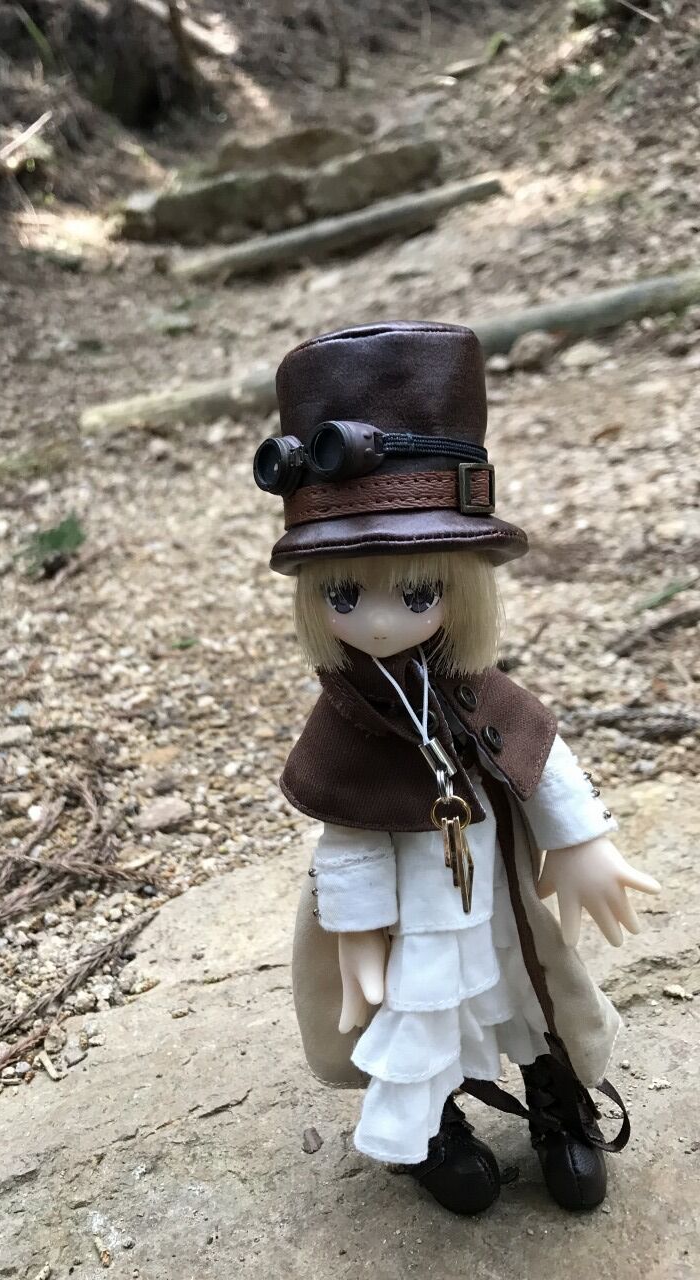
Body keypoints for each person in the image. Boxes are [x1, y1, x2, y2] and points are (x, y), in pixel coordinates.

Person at [251, 322, 660, 1215]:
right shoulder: (349, 718)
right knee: (411, 1013)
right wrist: (360, 940)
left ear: (462, 585)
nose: (381, 622)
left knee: (532, 990)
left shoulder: (474, 687)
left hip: (496, 886)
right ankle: (430, 1128)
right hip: (405, 911)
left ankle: (558, 1101)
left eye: (418, 591)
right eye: (343, 594)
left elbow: (538, 756)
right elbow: (349, 831)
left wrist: (580, 842)